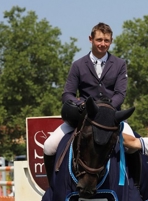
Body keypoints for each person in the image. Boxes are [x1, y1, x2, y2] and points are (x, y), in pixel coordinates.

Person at [43, 22, 128, 184]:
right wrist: (81, 105)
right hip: (85, 117)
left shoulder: (120, 64)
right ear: (91, 39)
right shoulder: (78, 65)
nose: (103, 44)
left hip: (110, 119)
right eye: (99, 40)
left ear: (111, 41)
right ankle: (52, 189)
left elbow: (120, 94)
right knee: (49, 145)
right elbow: (67, 93)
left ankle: (136, 190)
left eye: (107, 41)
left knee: (135, 145)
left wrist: (107, 109)